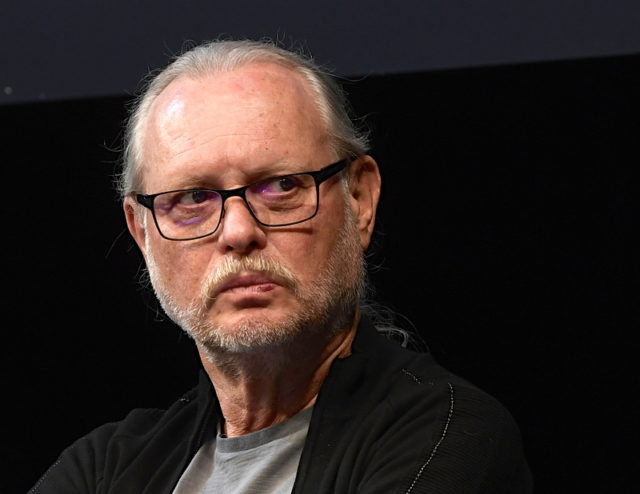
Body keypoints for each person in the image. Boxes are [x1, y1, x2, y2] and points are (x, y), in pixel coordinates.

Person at [30, 39, 532, 493]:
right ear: (142, 231)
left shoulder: (450, 436)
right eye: (193, 198)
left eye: (281, 186)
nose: (238, 232)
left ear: (359, 199)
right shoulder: (102, 468)